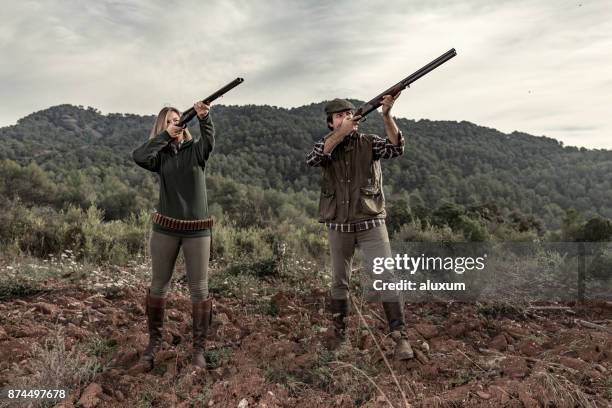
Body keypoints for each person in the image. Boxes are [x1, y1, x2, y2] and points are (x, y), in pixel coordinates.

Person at [306, 95, 414, 360]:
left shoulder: (369, 142)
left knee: (386, 277)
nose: (345, 118)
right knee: (339, 283)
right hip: (339, 226)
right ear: (331, 123)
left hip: (371, 222)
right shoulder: (327, 145)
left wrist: (387, 115)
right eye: (339, 116)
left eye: (348, 114)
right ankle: (340, 337)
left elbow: (395, 148)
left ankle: (400, 337)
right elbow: (313, 158)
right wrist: (339, 136)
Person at [131, 101, 214, 371]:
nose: (175, 123)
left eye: (178, 119)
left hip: (197, 230)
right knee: (158, 286)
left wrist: (204, 118)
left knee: (199, 289)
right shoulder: (160, 156)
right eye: (169, 121)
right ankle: (154, 345)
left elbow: (208, 144)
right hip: (165, 228)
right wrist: (166, 136)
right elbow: (139, 156)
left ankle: (199, 351)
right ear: (162, 127)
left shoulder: (195, 150)